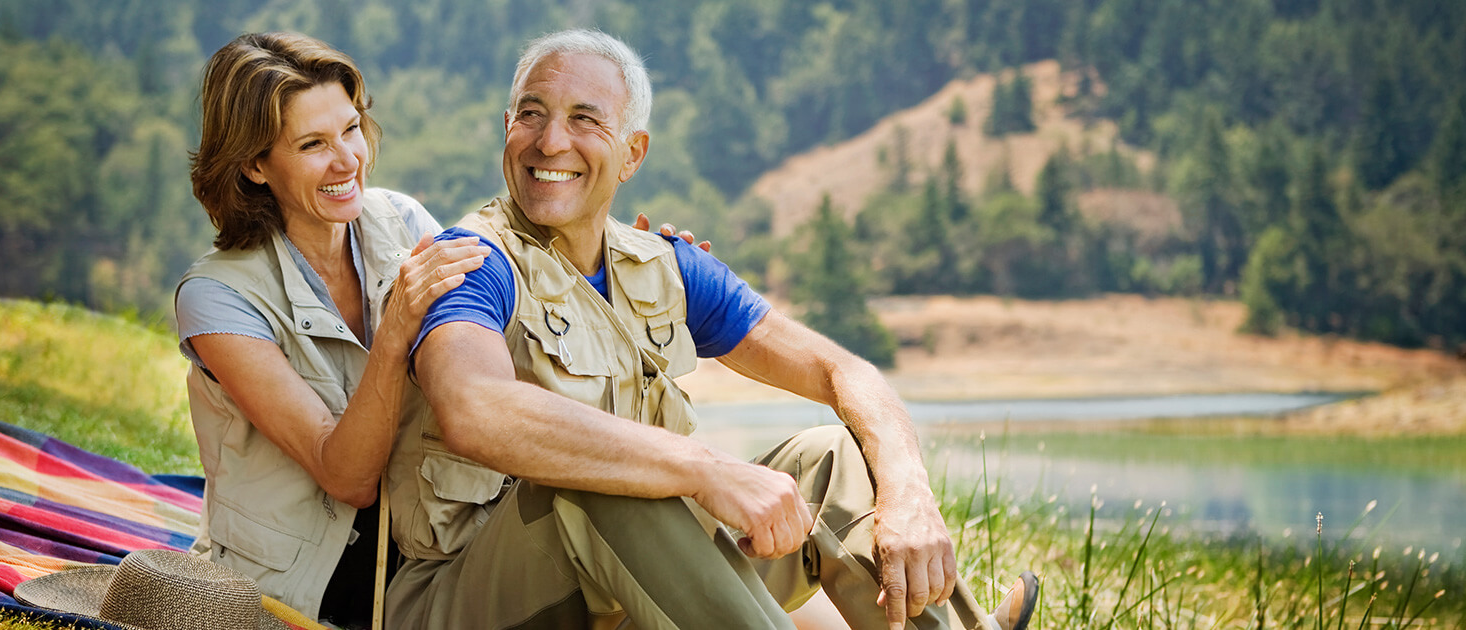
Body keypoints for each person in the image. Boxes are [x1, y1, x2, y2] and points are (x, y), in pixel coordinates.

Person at [386, 29, 1040, 630]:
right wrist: (702, 470)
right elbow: (474, 409)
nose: (550, 141)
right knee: (610, 478)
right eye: (532, 113)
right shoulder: (472, 261)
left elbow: (847, 374)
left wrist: (908, 491)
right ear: (507, 127)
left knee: (833, 457)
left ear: (632, 153)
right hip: (474, 597)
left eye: (584, 119)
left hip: (643, 581)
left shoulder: (667, 265)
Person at [177, 32, 702, 628]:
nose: (347, 160)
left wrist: (613, 268)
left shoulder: (401, 220)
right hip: (298, 596)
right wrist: (395, 332)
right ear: (253, 164)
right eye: (312, 144)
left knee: (617, 514)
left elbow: (514, 316)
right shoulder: (216, 299)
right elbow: (345, 477)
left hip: (428, 563)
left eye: (350, 130)